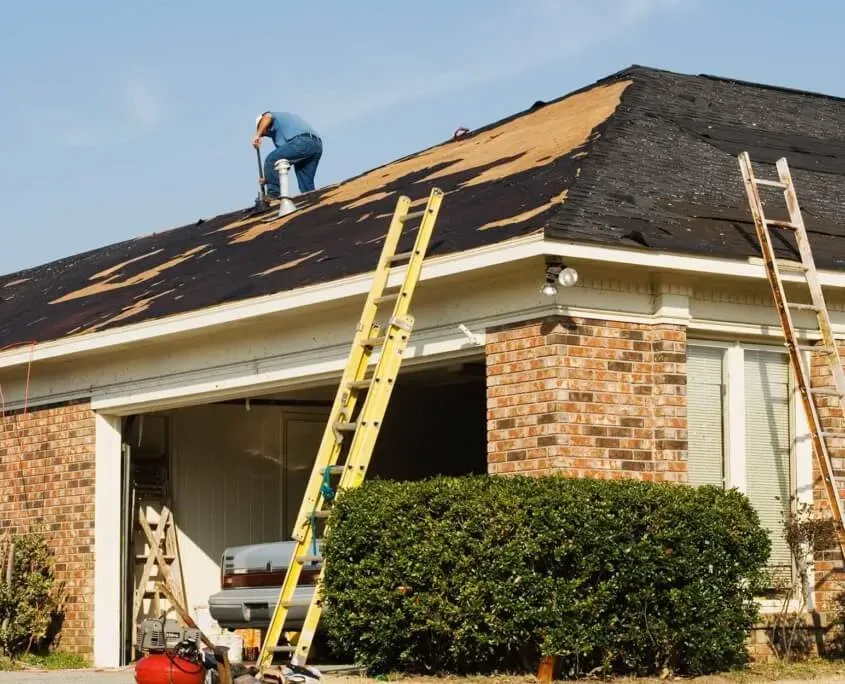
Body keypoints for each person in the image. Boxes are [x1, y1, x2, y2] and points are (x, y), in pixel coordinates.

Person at [253, 111, 323, 196]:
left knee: (271, 159)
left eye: (263, 131)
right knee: (306, 184)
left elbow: (267, 117)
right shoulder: (282, 130)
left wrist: (257, 134)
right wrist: (269, 178)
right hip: (316, 145)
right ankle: (311, 199)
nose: (265, 134)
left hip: (302, 142)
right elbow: (282, 164)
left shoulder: (271, 117)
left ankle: (273, 195)